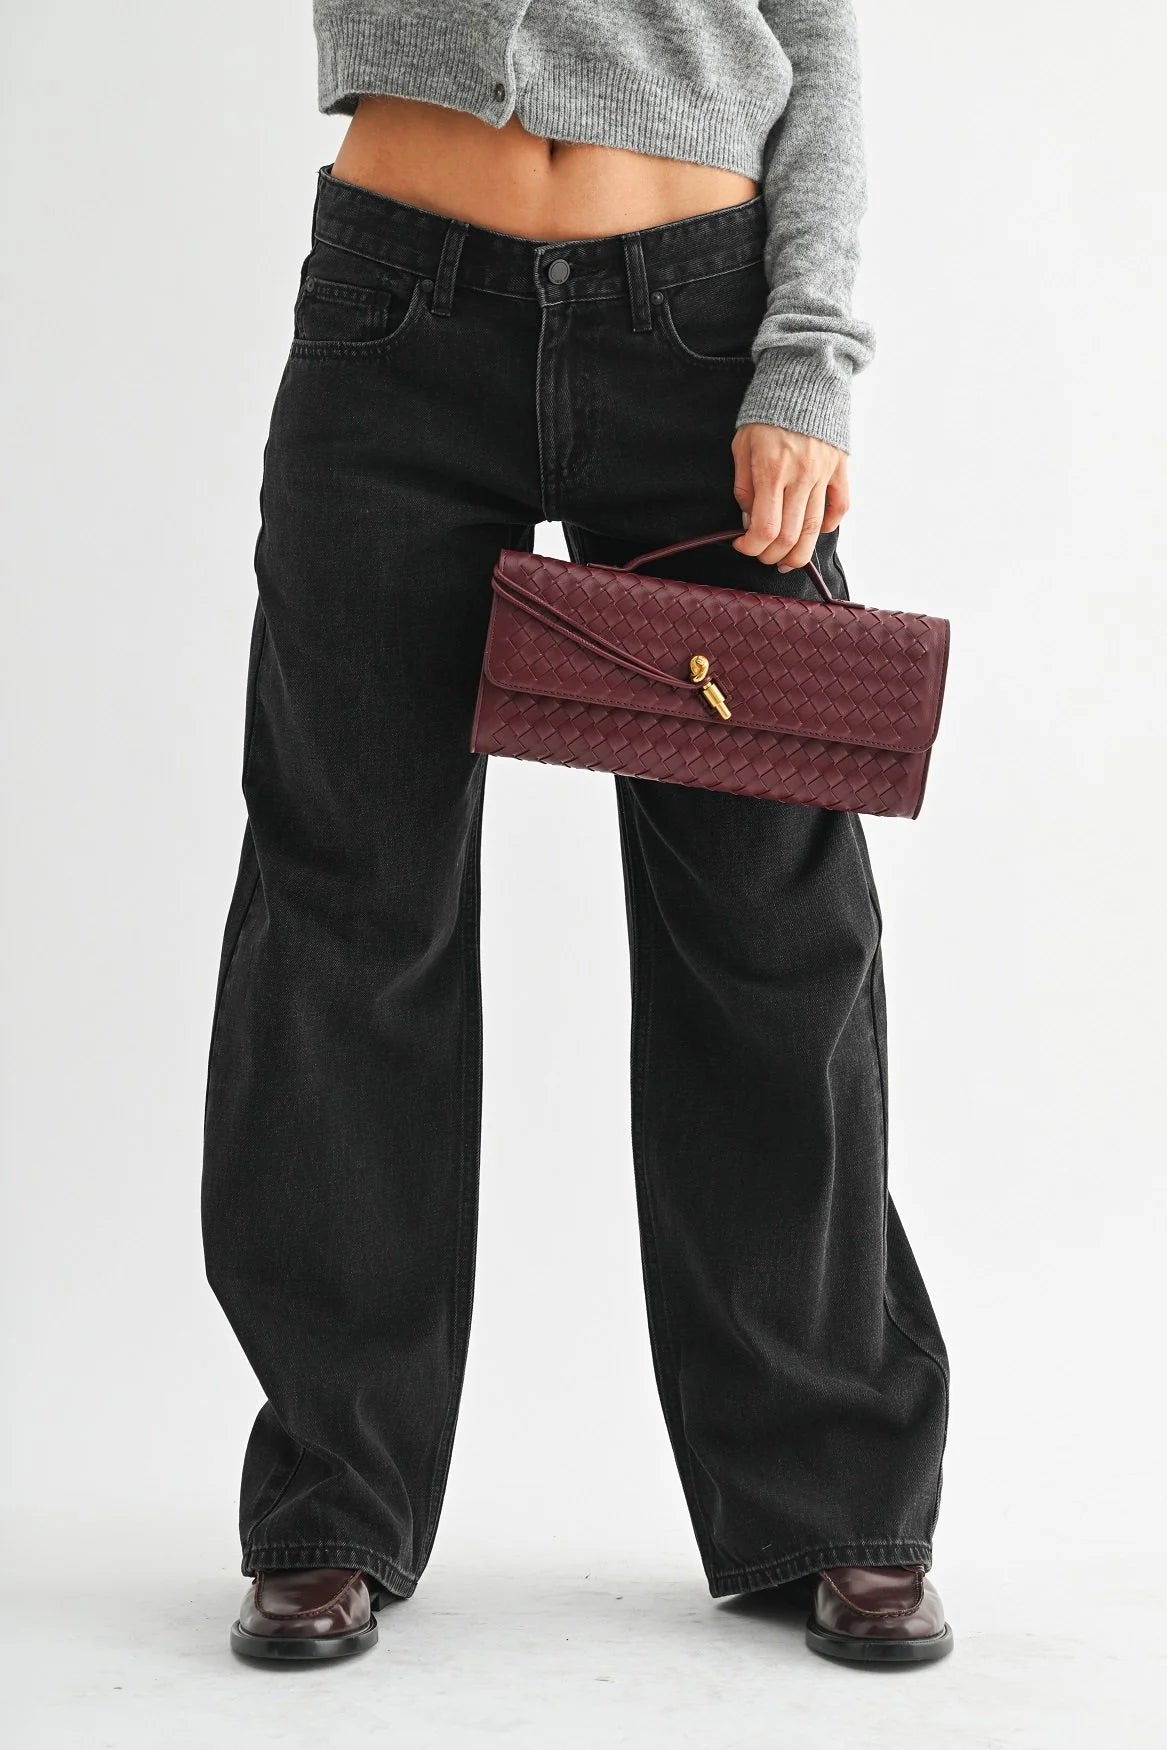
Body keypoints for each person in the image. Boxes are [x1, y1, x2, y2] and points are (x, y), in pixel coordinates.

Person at [204, 0, 953, 1667]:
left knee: (770, 927)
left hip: (695, 323)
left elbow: (814, 35)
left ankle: (827, 1488)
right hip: (397, 304)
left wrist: (809, 354)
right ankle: (332, 1491)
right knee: (342, 905)